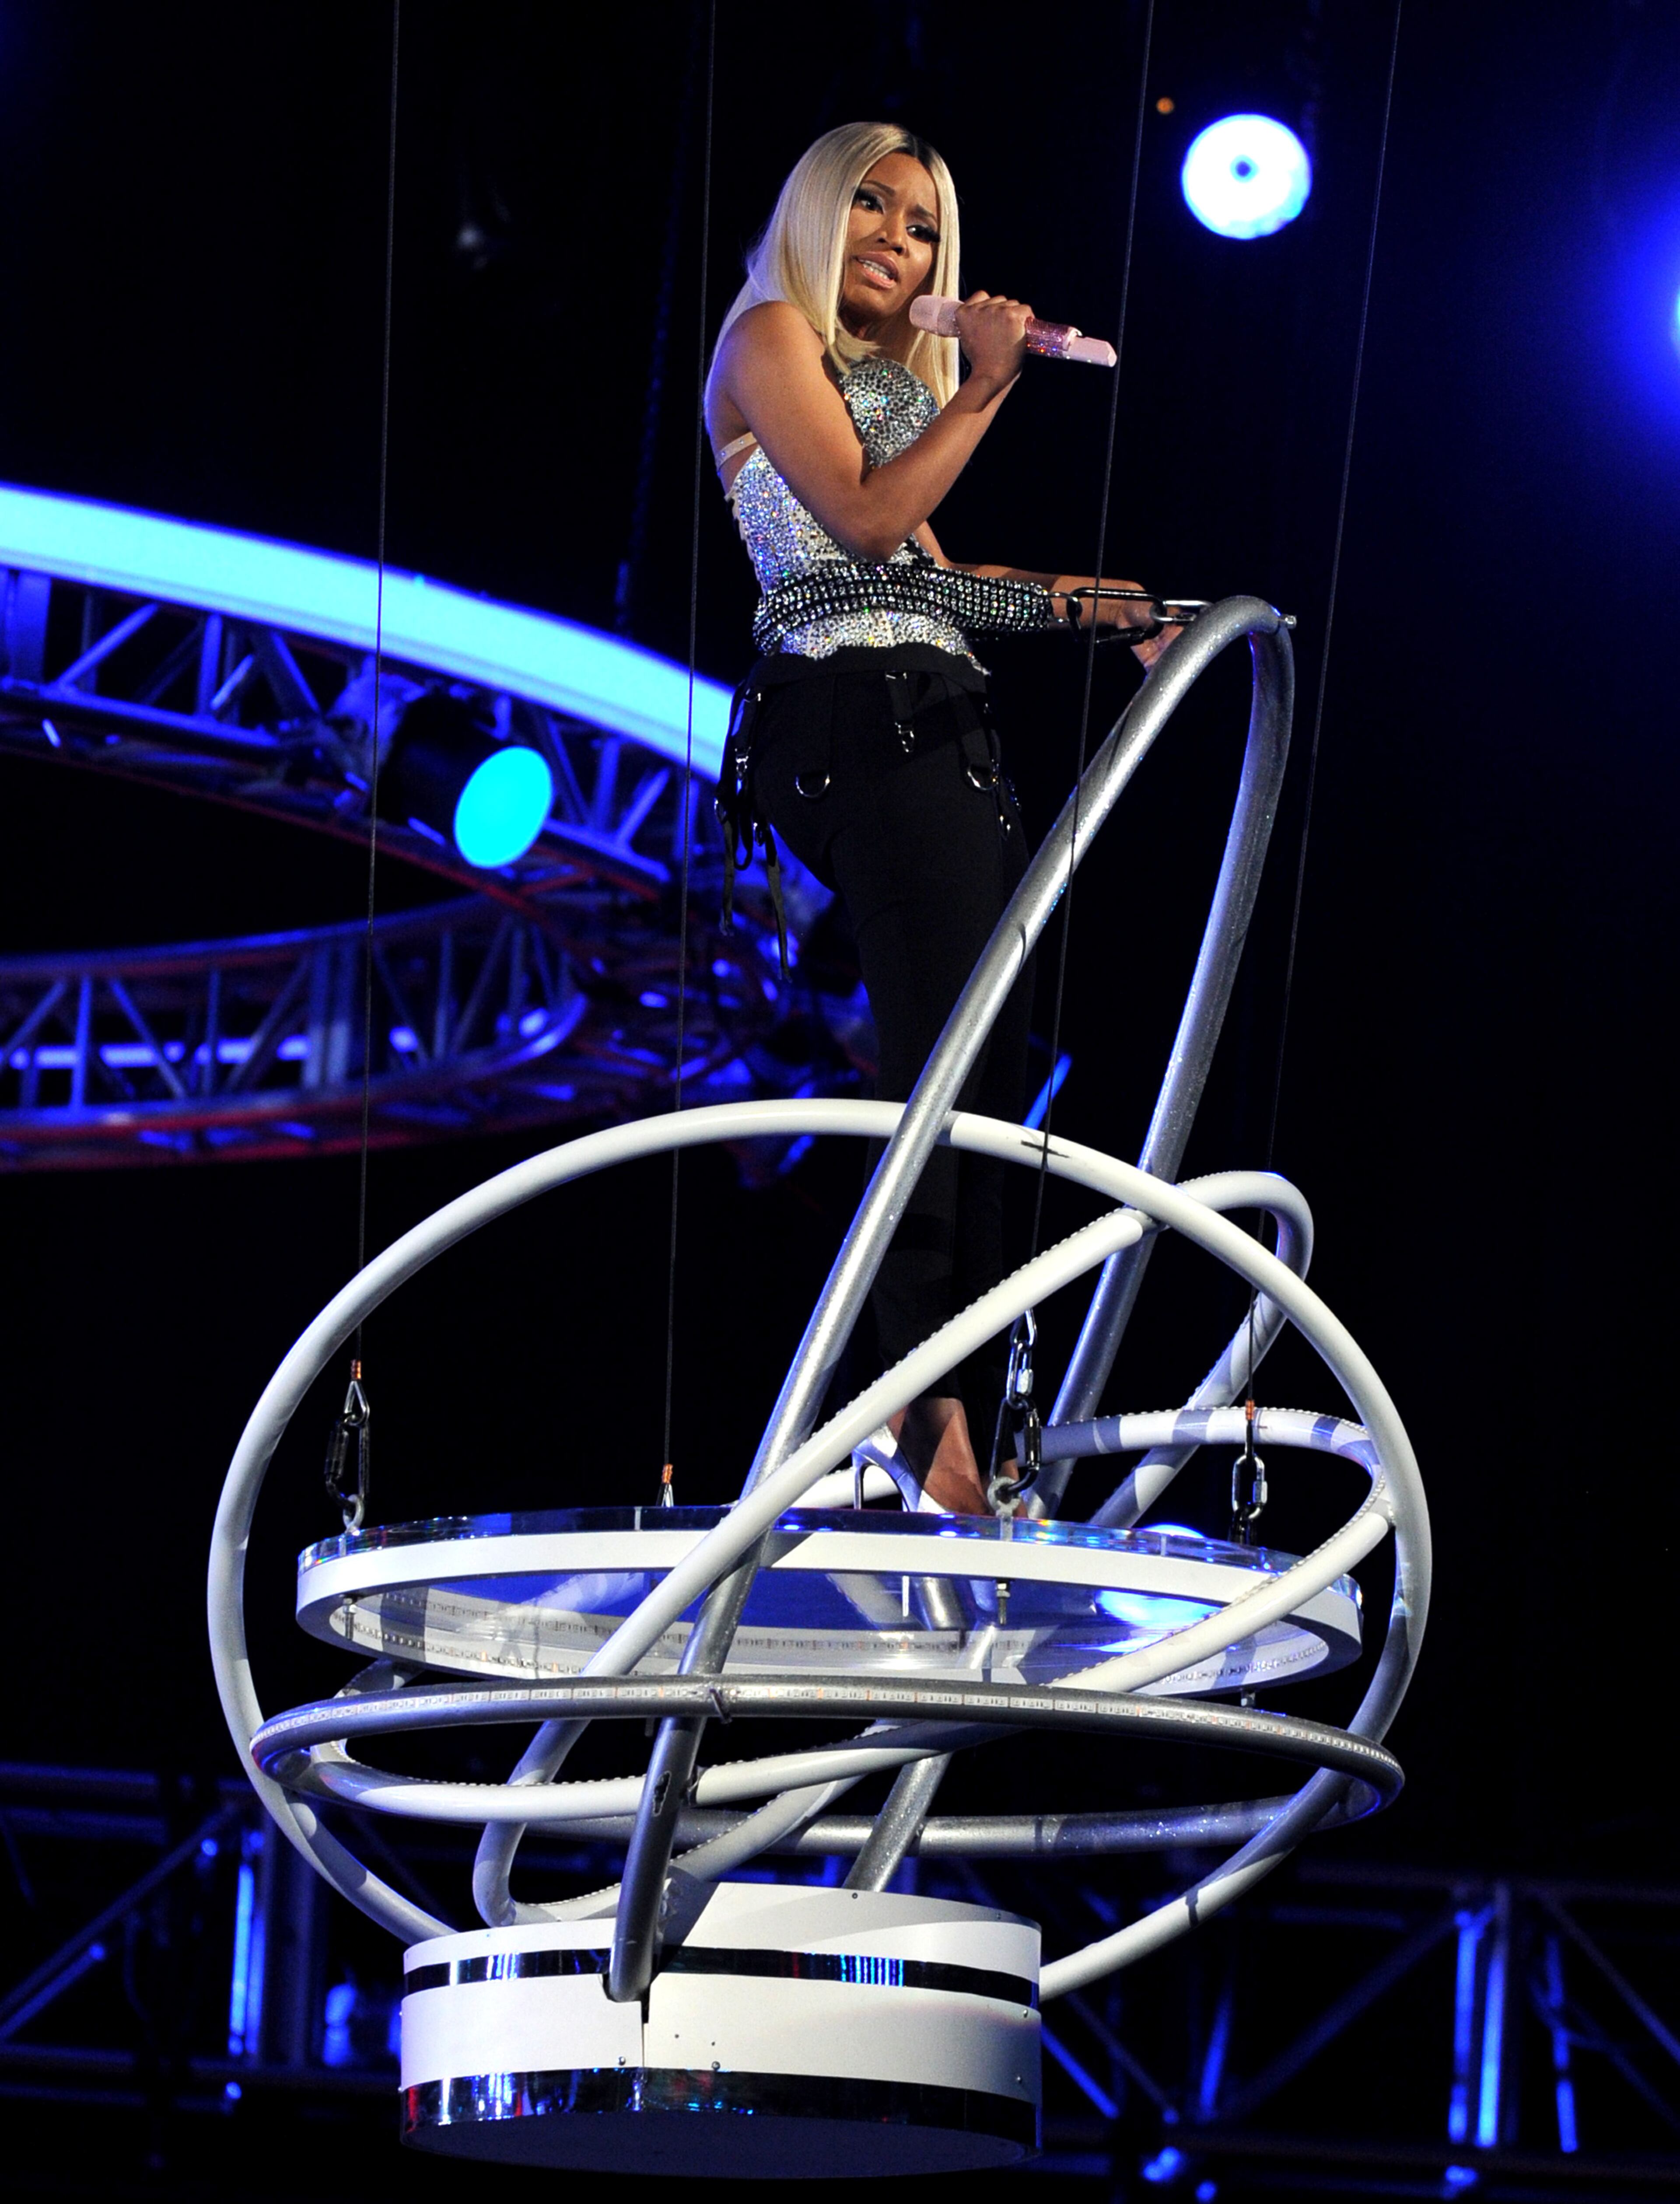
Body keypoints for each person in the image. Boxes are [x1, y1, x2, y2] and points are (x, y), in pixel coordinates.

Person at [706, 120, 1169, 1515]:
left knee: (982, 1077)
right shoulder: (769, 337)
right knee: (939, 1070)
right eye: (873, 207)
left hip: (937, 720)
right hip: (857, 718)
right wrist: (990, 386)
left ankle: (955, 1396)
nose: (898, 242)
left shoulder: (883, 386)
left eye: (923, 228)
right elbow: (859, 529)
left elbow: (931, 579)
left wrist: (1091, 606)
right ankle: (913, 1404)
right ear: (816, 210)